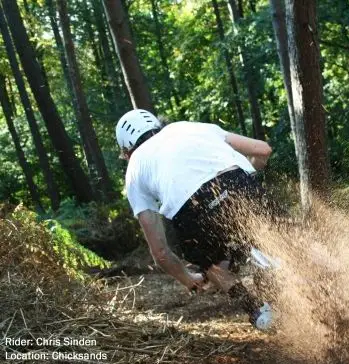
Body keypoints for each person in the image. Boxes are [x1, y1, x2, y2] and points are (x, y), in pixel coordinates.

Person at [115, 109, 275, 330]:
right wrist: (248, 177)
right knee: (276, 231)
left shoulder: (134, 170)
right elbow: (263, 150)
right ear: (157, 126)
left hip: (194, 209)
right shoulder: (190, 126)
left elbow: (160, 253)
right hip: (238, 182)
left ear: (126, 150)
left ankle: (257, 311)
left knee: (213, 265)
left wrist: (188, 279)